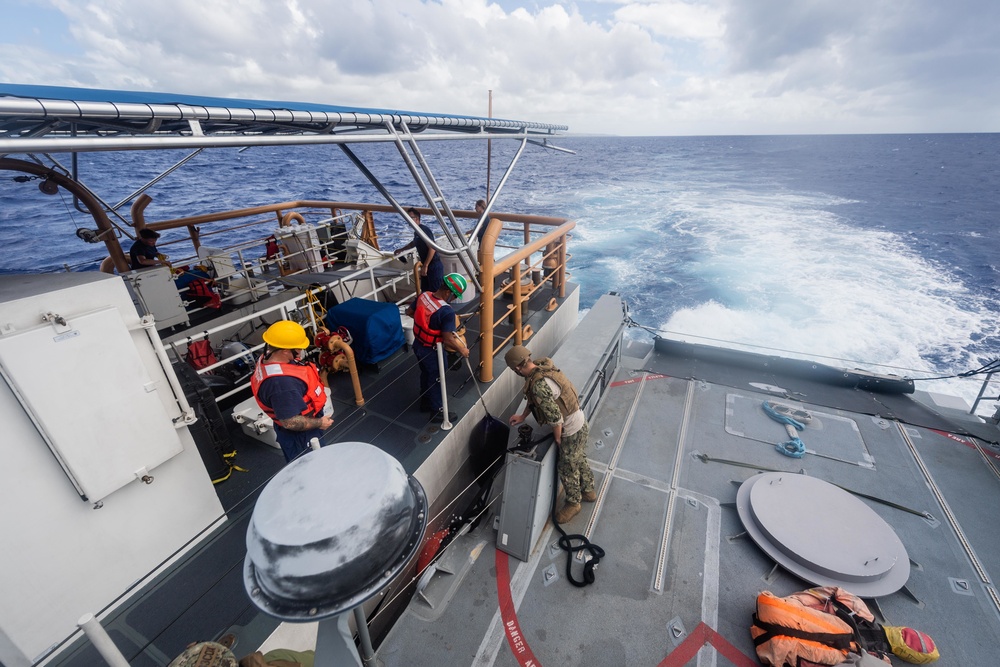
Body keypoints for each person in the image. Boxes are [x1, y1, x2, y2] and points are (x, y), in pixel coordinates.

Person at [505, 345, 597, 523]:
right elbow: (534, 400)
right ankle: (588, 490)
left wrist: (557, 438)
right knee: (579, 457)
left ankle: (573, 503)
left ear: (517, 368)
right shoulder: (542, 367)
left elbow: (556, 419)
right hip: (580, 421)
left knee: (567, 466)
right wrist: (523, 416)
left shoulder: (539, 385)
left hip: (570, 430)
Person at [250, 320, 333, 462]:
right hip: (300, 437)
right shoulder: (282, 385)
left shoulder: (267, 357)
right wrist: (320, 423)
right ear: (285, 351)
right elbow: (291, 422)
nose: (300, 351)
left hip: (296, 427)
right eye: (298, 348)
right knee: (311, 468)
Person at [406, 273, 470, 423]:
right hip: (433, 350)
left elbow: (409, 312)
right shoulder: (447, 312)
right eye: (454, 296)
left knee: (425, 374)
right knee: (437, 379)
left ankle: (425, 402)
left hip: (418, 345)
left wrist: (425, 325)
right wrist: (462, 350)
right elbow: (448, 339)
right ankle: (437, 412)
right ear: (448, 292)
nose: (453, 299)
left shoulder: (424, 295)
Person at [394, 207, 443, 292]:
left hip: (433, 266)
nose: (407, 220)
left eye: (410, 218)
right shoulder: (417, 232)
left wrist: (425, 265)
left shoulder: (423, 230)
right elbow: (414, 243)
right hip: (427, 265)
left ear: (416, 219)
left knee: (435, 293)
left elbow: (432, 248)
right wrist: (401, 250)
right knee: (425, 292)